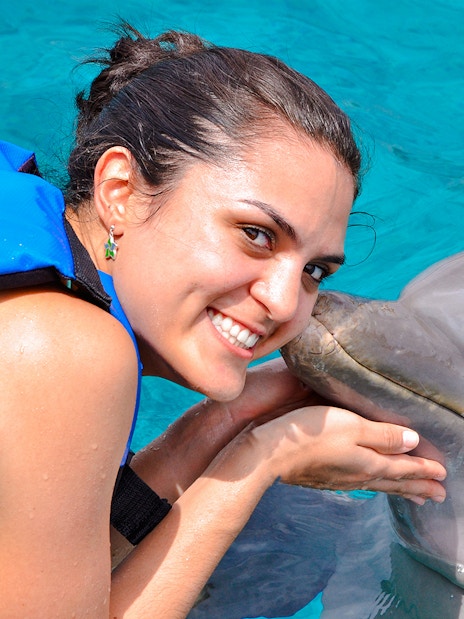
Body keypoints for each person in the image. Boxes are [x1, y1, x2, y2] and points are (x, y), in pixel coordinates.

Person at [0, 23, 446, 619]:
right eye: (256, 235)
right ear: (120, 191)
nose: (286, 303)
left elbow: (44, 564)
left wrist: (219, 425)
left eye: (316, 270)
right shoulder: (63, 343)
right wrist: (260, 460)